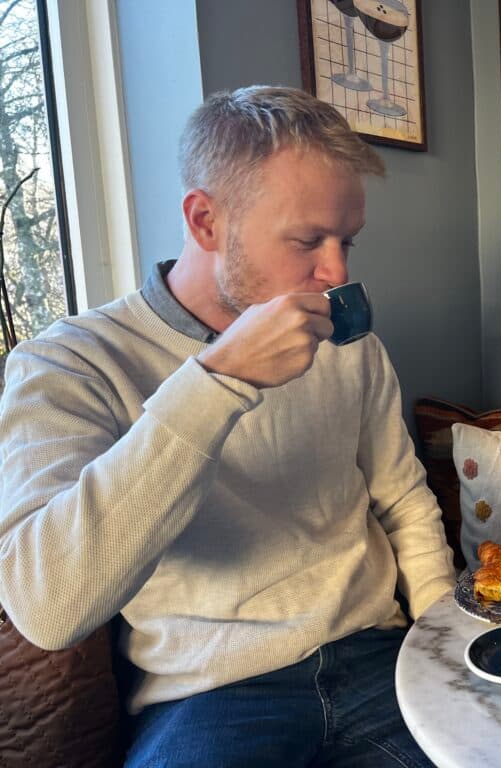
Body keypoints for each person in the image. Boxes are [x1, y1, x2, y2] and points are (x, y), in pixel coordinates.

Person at [0, 86, 454, 767]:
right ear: (206, 221)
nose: (338, 272)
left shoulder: (348, 344)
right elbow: (50, 607)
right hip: (212, 695)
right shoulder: (68, 363)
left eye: (346, 241)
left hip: (378, 663)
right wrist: (216, 383)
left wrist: (444, 638)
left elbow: (404, 500)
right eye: (308, 241)